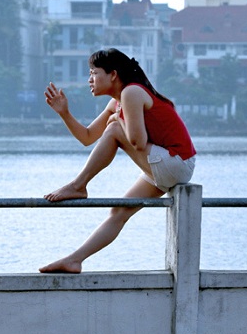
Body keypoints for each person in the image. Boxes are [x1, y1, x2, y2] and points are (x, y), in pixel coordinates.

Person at [40, 48, 196, 274]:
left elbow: (138, 141)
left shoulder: (131, 92)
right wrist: (64, 113)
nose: (89, 79)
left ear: (113, 74)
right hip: (168, 164)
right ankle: (75, 260)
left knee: (113, 127)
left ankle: (78, 186)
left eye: (94, 73)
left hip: (176, 162)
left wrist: (117, 121)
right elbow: (87, 137)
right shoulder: (116, 103)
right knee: (119, 211)